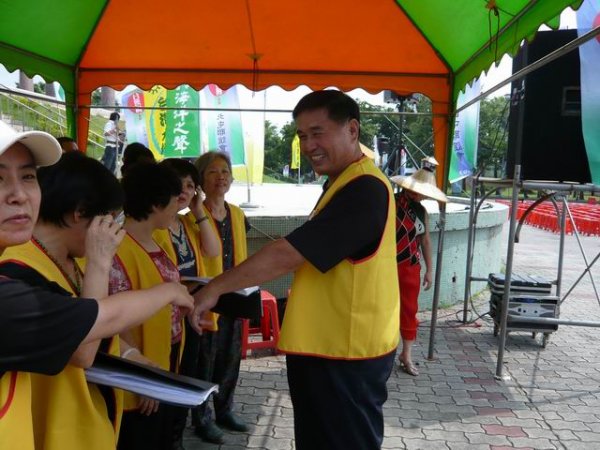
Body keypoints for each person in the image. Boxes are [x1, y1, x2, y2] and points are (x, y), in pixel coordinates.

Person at [190, 90, 400, 450]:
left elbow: (288, 254)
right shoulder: (343, 183)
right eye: (302, 135)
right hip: (328, 349)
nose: (308, 145)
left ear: (352, 130)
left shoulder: (364, 188)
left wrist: (214, 289)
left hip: (345, 355)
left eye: (318, 133)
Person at [0, 120, 194, 450]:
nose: (19, 195)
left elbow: (96, 325)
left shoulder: (71, 259)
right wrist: (166, 289)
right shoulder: (17, 271)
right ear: (80, 213)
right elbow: (84, 347)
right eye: (110, 219)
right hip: (55, 431)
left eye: (29, 177)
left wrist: (132, 355)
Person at [110, 163, 186, 450]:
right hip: (138, 376)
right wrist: (141, 377)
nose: (178, 208)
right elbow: (117, 320)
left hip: (162, 359)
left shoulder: (154, 241)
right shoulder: (117, 249)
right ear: (156, 204)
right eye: (175, 201)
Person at [154, 158, 220, 449]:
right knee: (165, 379)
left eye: (191, 185)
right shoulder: (154, 226)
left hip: (189, 312)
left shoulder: (186, 223)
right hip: (163, 317)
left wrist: (199, 211)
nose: (184, 190)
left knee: (186, 376)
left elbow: (213, 250)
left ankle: (176, 437)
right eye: (178, 184)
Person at [188, 151, 251, 445]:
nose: (221, 177)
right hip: (206, 298)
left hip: (234, 295)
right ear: (201, 179)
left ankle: (225, 409)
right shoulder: (191, 218)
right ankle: (202, 418)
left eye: (225, 171)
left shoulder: (237, 214)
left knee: (230, 357)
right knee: (205, 360)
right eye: (213, 172)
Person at [390, 157, 448, 376]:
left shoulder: (422, 212)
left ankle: (406, 354)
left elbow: (425, 241)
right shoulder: (391, 202)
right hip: (386, 265)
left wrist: (430, 270)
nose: (420, 195)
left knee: (409, 310)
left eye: (424, 192)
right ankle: (381, 352)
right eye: (418, 191)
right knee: (383, 308)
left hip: (411, 267)